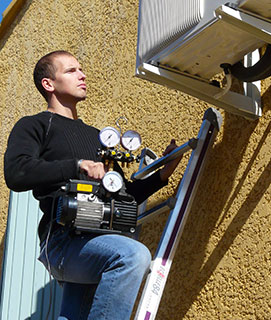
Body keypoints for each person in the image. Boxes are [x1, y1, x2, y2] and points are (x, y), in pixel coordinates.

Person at [3, 50, 181, 320]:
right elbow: (16, 173)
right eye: (71, 70)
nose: (82, 75)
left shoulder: (98, 137)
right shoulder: (35, 126)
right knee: (131, 256)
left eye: (81, 69)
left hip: (99, 238)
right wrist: (77, 165)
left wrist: (163, 175)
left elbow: (123, 195)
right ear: (48, 84)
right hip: (63, 241)